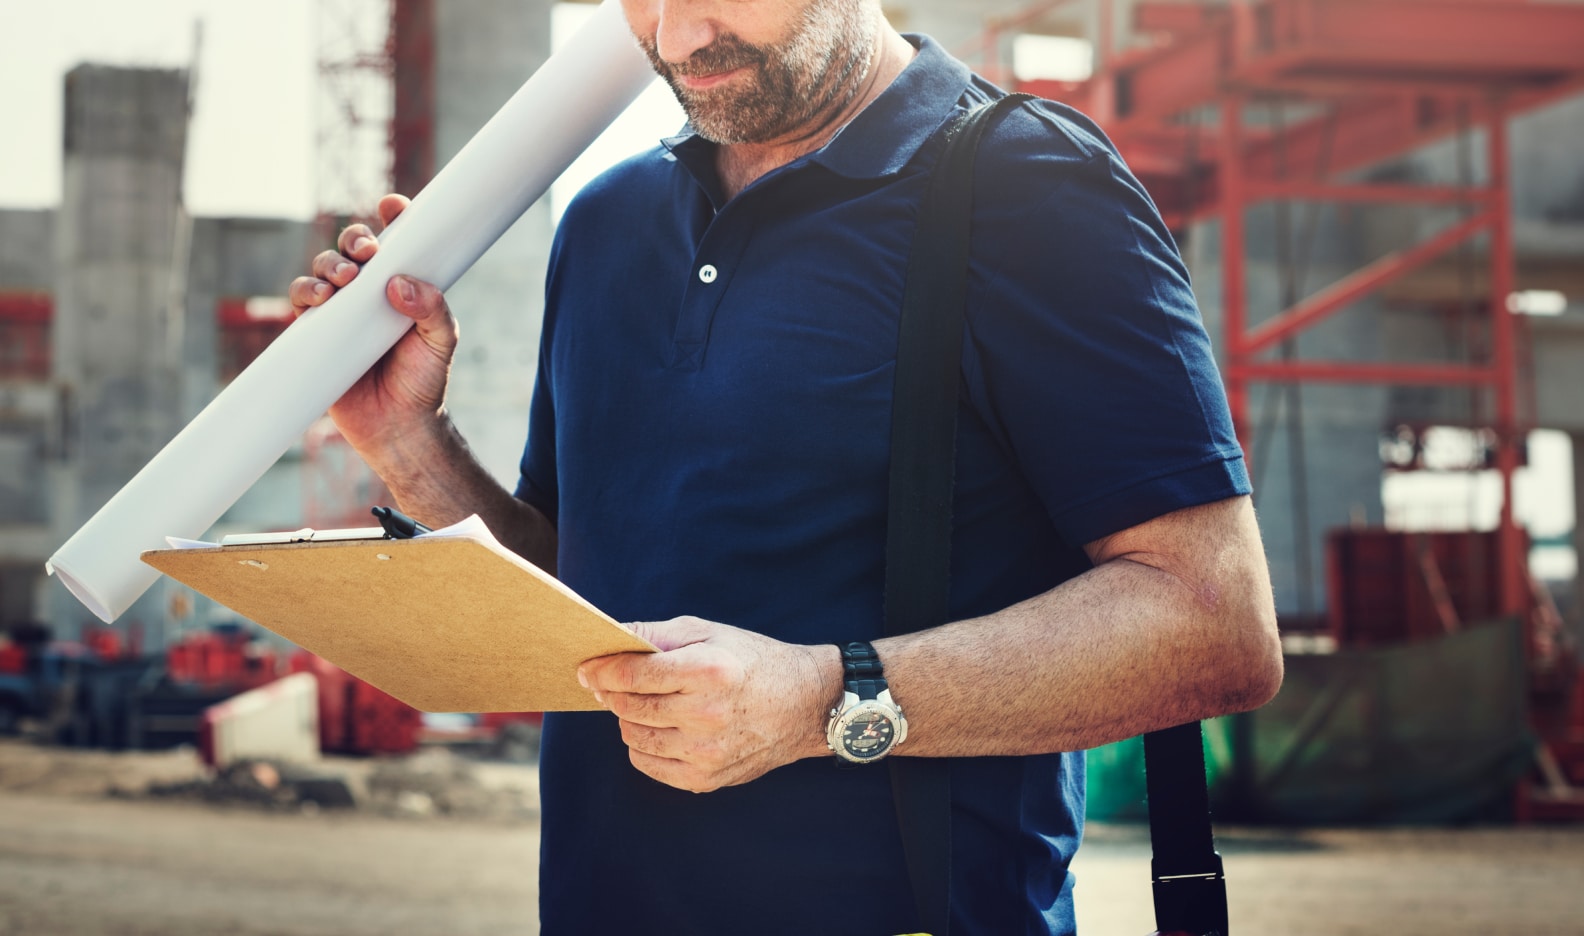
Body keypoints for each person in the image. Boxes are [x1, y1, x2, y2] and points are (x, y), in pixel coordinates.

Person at [289, 0, 1283, 931]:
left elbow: (1214, 624)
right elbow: (575, 593)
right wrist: (406, 440)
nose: (679, 37)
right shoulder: (604, 222)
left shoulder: (1030, 187)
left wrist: (819, 701)